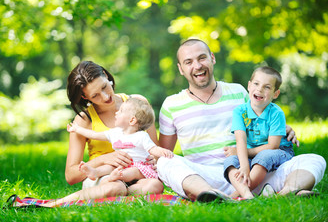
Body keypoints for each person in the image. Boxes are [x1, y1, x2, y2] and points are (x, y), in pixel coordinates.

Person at [157, 38, 326, 202]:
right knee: (165, 162)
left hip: (251, 173)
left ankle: (286, 192)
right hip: (204, 177)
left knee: (314, 159)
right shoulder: (172, 104)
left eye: (202, 58)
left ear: (212, 58)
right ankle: (210, 195)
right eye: (188, 62)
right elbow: (164, 152)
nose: (197, 65)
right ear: (180, 69)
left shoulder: (238, 92)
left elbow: (263, 120)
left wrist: (283, 128)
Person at [61, 61, 163, 203]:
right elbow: (71, 175)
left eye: (104, 87)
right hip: (103, 176)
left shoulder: (138, 104)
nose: (105, 97)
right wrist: (104, 159)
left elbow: (155, 149)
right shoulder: (84, 120)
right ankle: (60, 202)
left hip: (136, 173)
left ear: (106, 75)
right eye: (95, 95)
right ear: (85, 97)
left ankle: (126, 194)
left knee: (155, 186)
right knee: (115, 188)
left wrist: (154, 160)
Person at [223, 66, 294, 199]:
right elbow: (241, 140)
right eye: (256, 84)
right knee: (230, 161)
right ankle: (246, 195)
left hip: (279, 151)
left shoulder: (276, 113)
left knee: (265, 156)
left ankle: (234, 195)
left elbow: (273, 146)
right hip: (253, 153)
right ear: (249, 86)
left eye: (267, 87)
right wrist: (244, 166)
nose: (259, 89)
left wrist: (243, 154)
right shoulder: (239, 111)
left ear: (275, 94)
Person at [67, 97, 174, 184]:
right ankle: (95, 172)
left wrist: (162, 152)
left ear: (132, 120)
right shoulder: (115, 133)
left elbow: (153, 149)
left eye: (121, 111)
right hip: (120, 166)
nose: (117, 112)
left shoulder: (141, 136)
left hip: (138, 166)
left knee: (133, 171)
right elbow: (94, 135)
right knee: (109, 166)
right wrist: (77, 129)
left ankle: (119, 177)